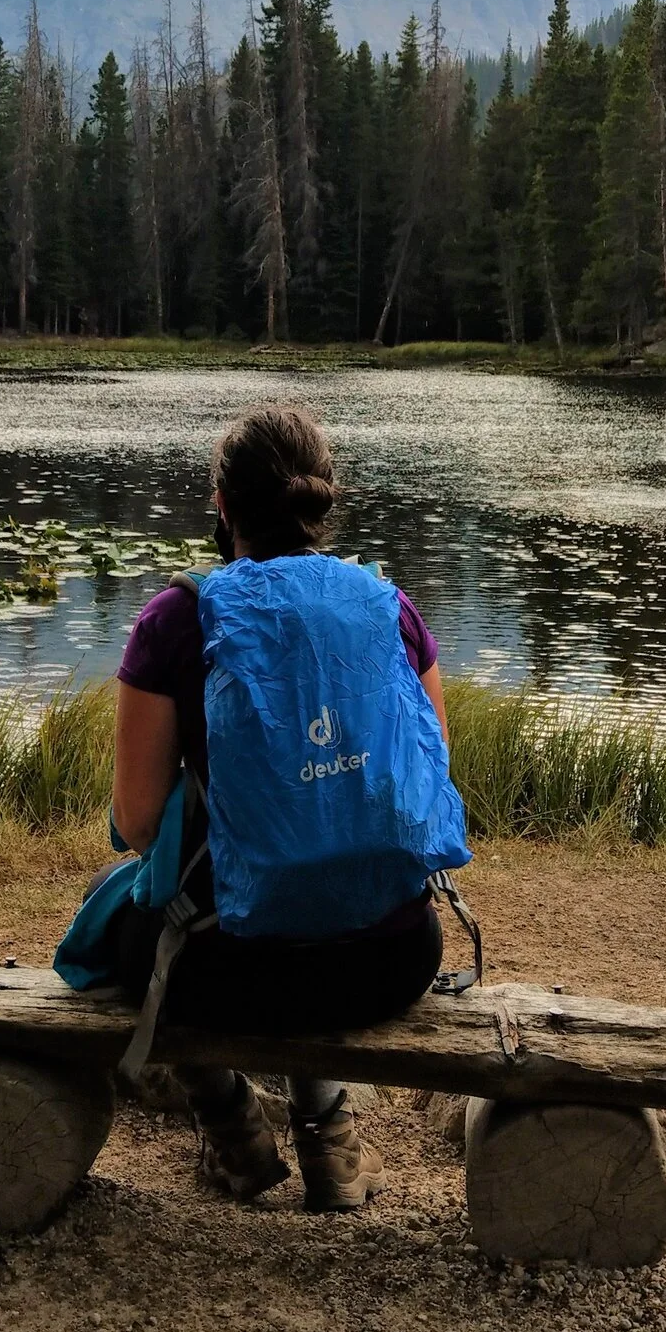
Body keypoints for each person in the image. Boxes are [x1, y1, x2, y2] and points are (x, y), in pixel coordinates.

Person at [107, 403, 467, 1211]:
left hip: (227, 972)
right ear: (320, 499)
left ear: (222, 507)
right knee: (321, 873)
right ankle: (328, 1135)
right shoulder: (389, 606)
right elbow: (429, 772)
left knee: (125, 929)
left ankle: (232, 1123)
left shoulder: (177, 617)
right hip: (390, 961)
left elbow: (135, 823)